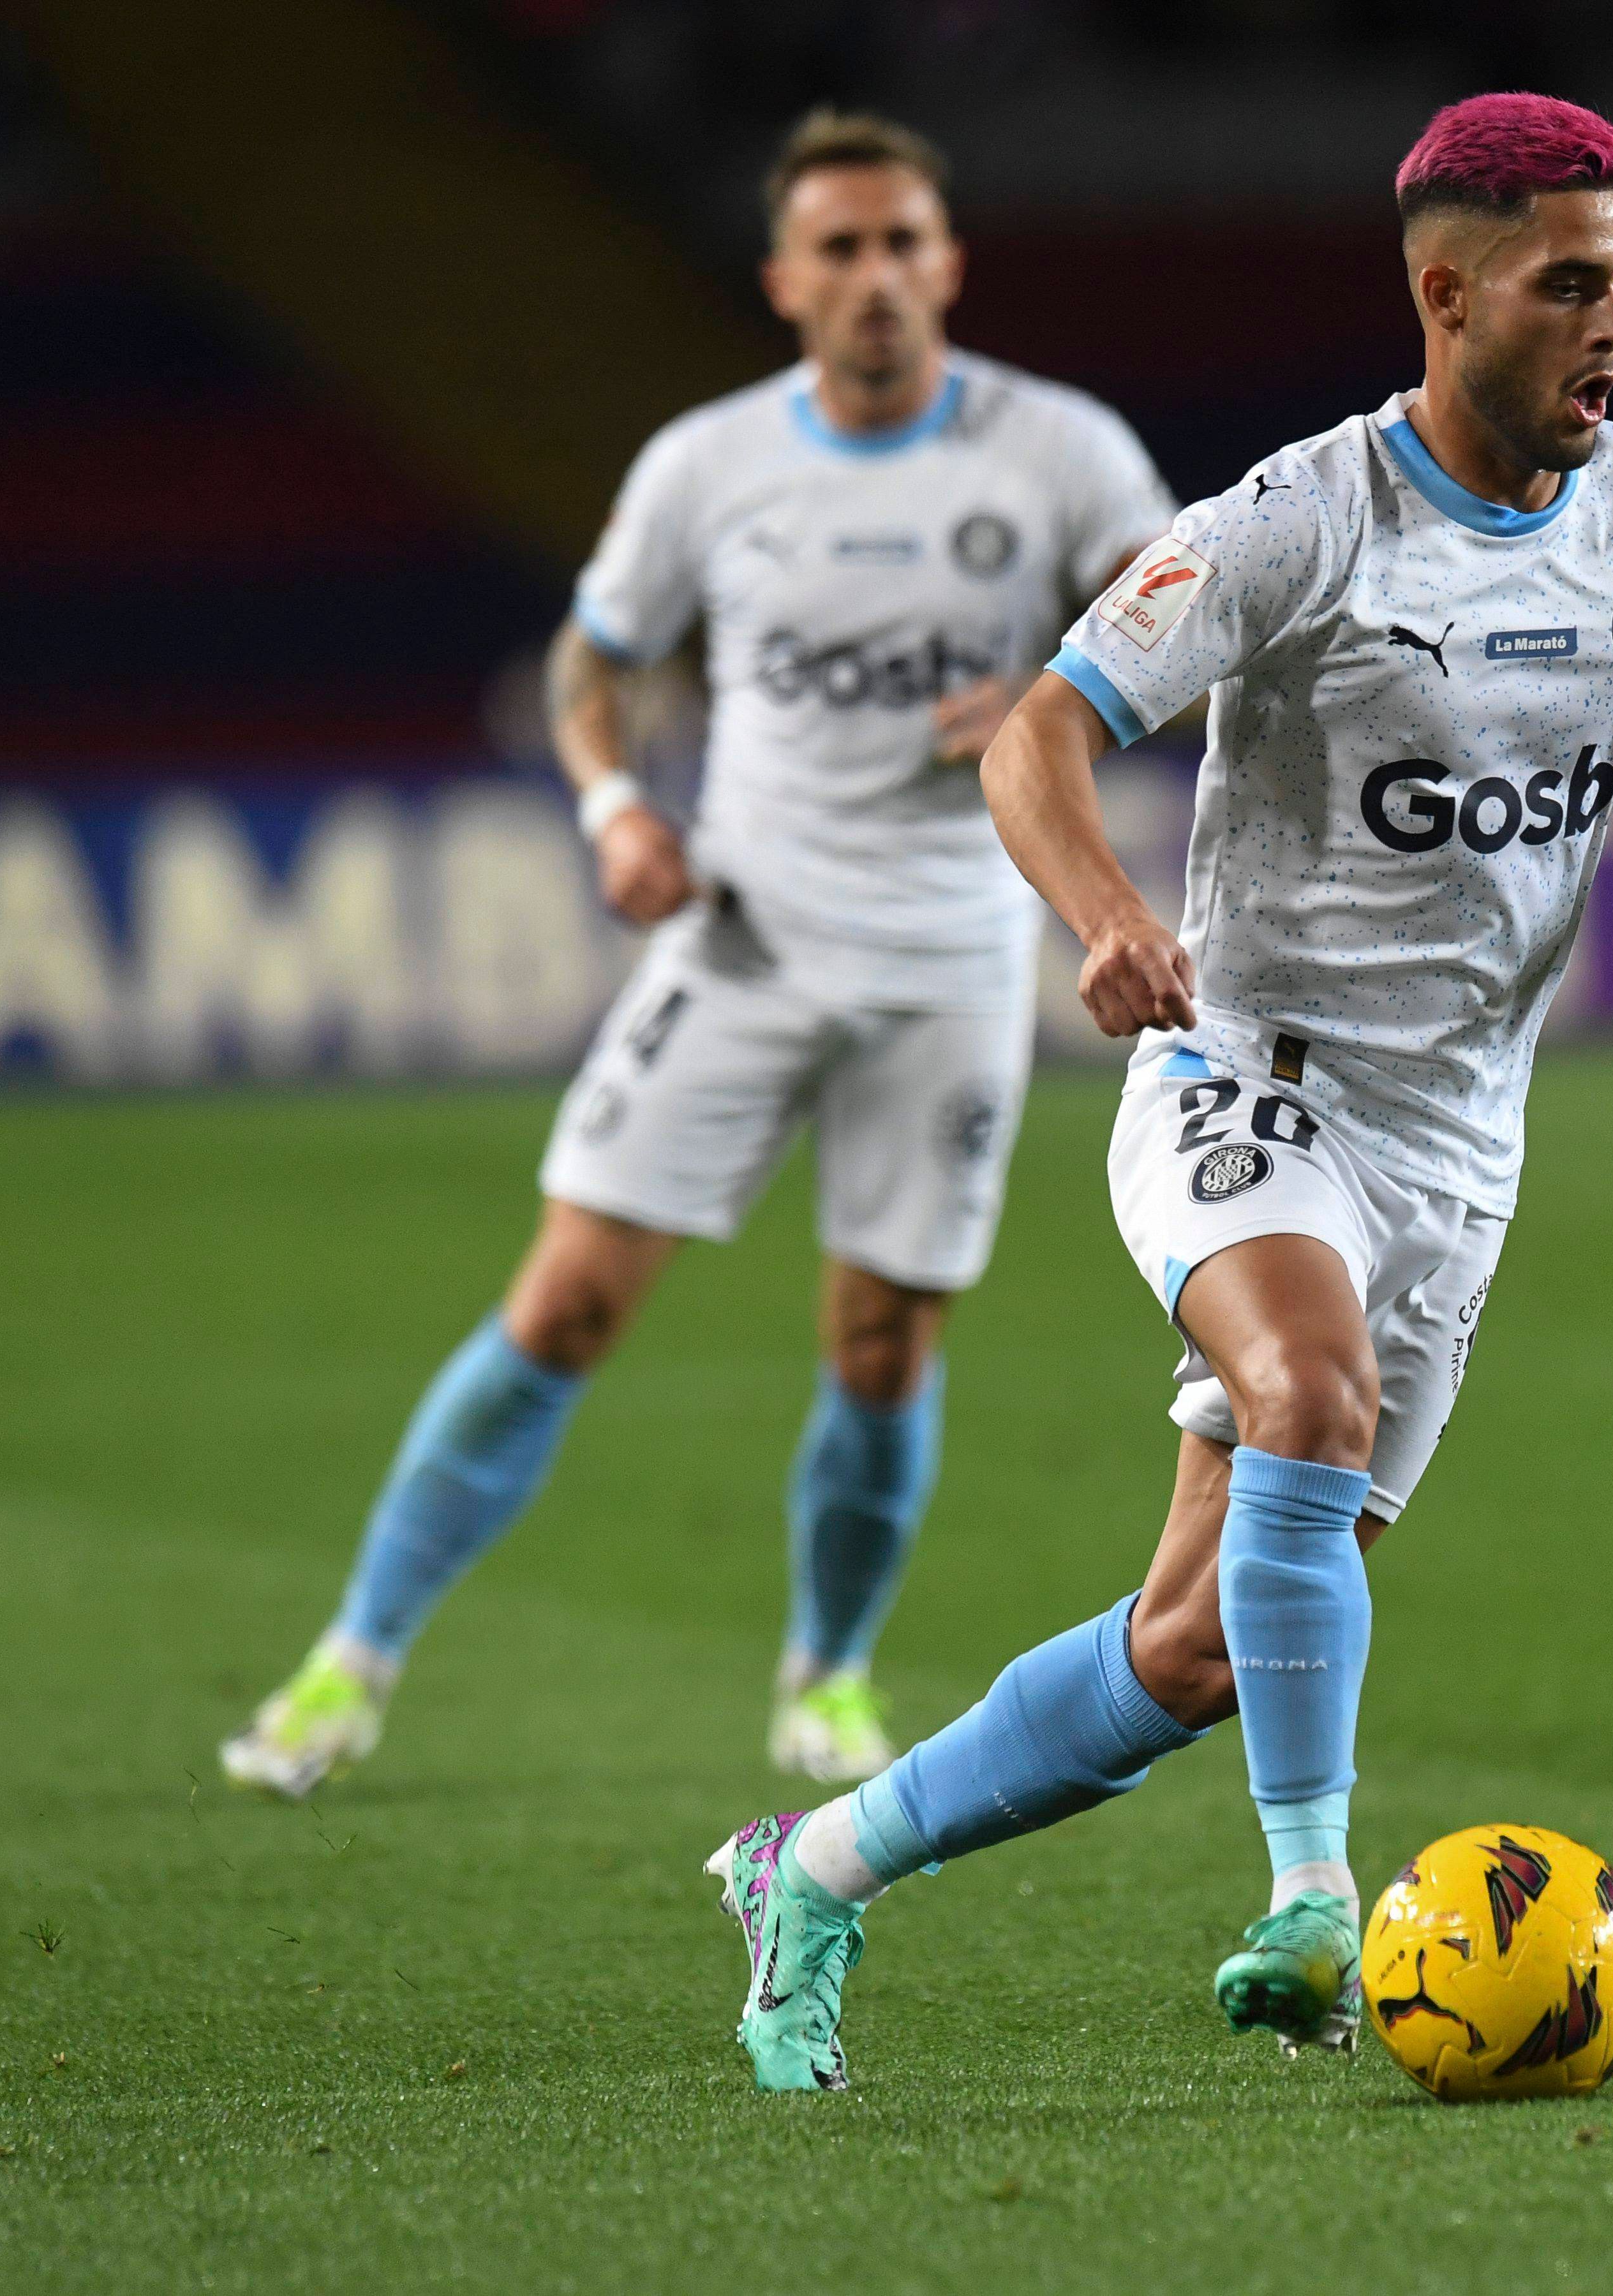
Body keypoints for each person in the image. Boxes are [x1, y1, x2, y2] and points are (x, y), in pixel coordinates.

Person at [698, 91, 1613, 2092]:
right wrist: (1101, 917)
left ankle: (812, 1867)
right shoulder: (1299, 522)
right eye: (1568, 287)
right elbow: (1037, 738)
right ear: (1446, 293)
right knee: (1308, 1395)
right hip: (1247, 1080)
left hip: (1463, 1143)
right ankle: (1310, 1896)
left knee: (1192, 1649)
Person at [218, 109, 1175, 1799]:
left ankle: (830, 1676)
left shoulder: (1063, 451)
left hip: (954, 955)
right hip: (745, 938)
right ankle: (346, 1664)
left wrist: (1052, 688)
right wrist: (610, 813)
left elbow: (1185, 632)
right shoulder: (708, 466)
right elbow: (593, 674)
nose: (876, 277)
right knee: (568, 1300)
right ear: (784, 280)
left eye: (904, 244)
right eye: (842, 249)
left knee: (882, 1343)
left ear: (948, 262)